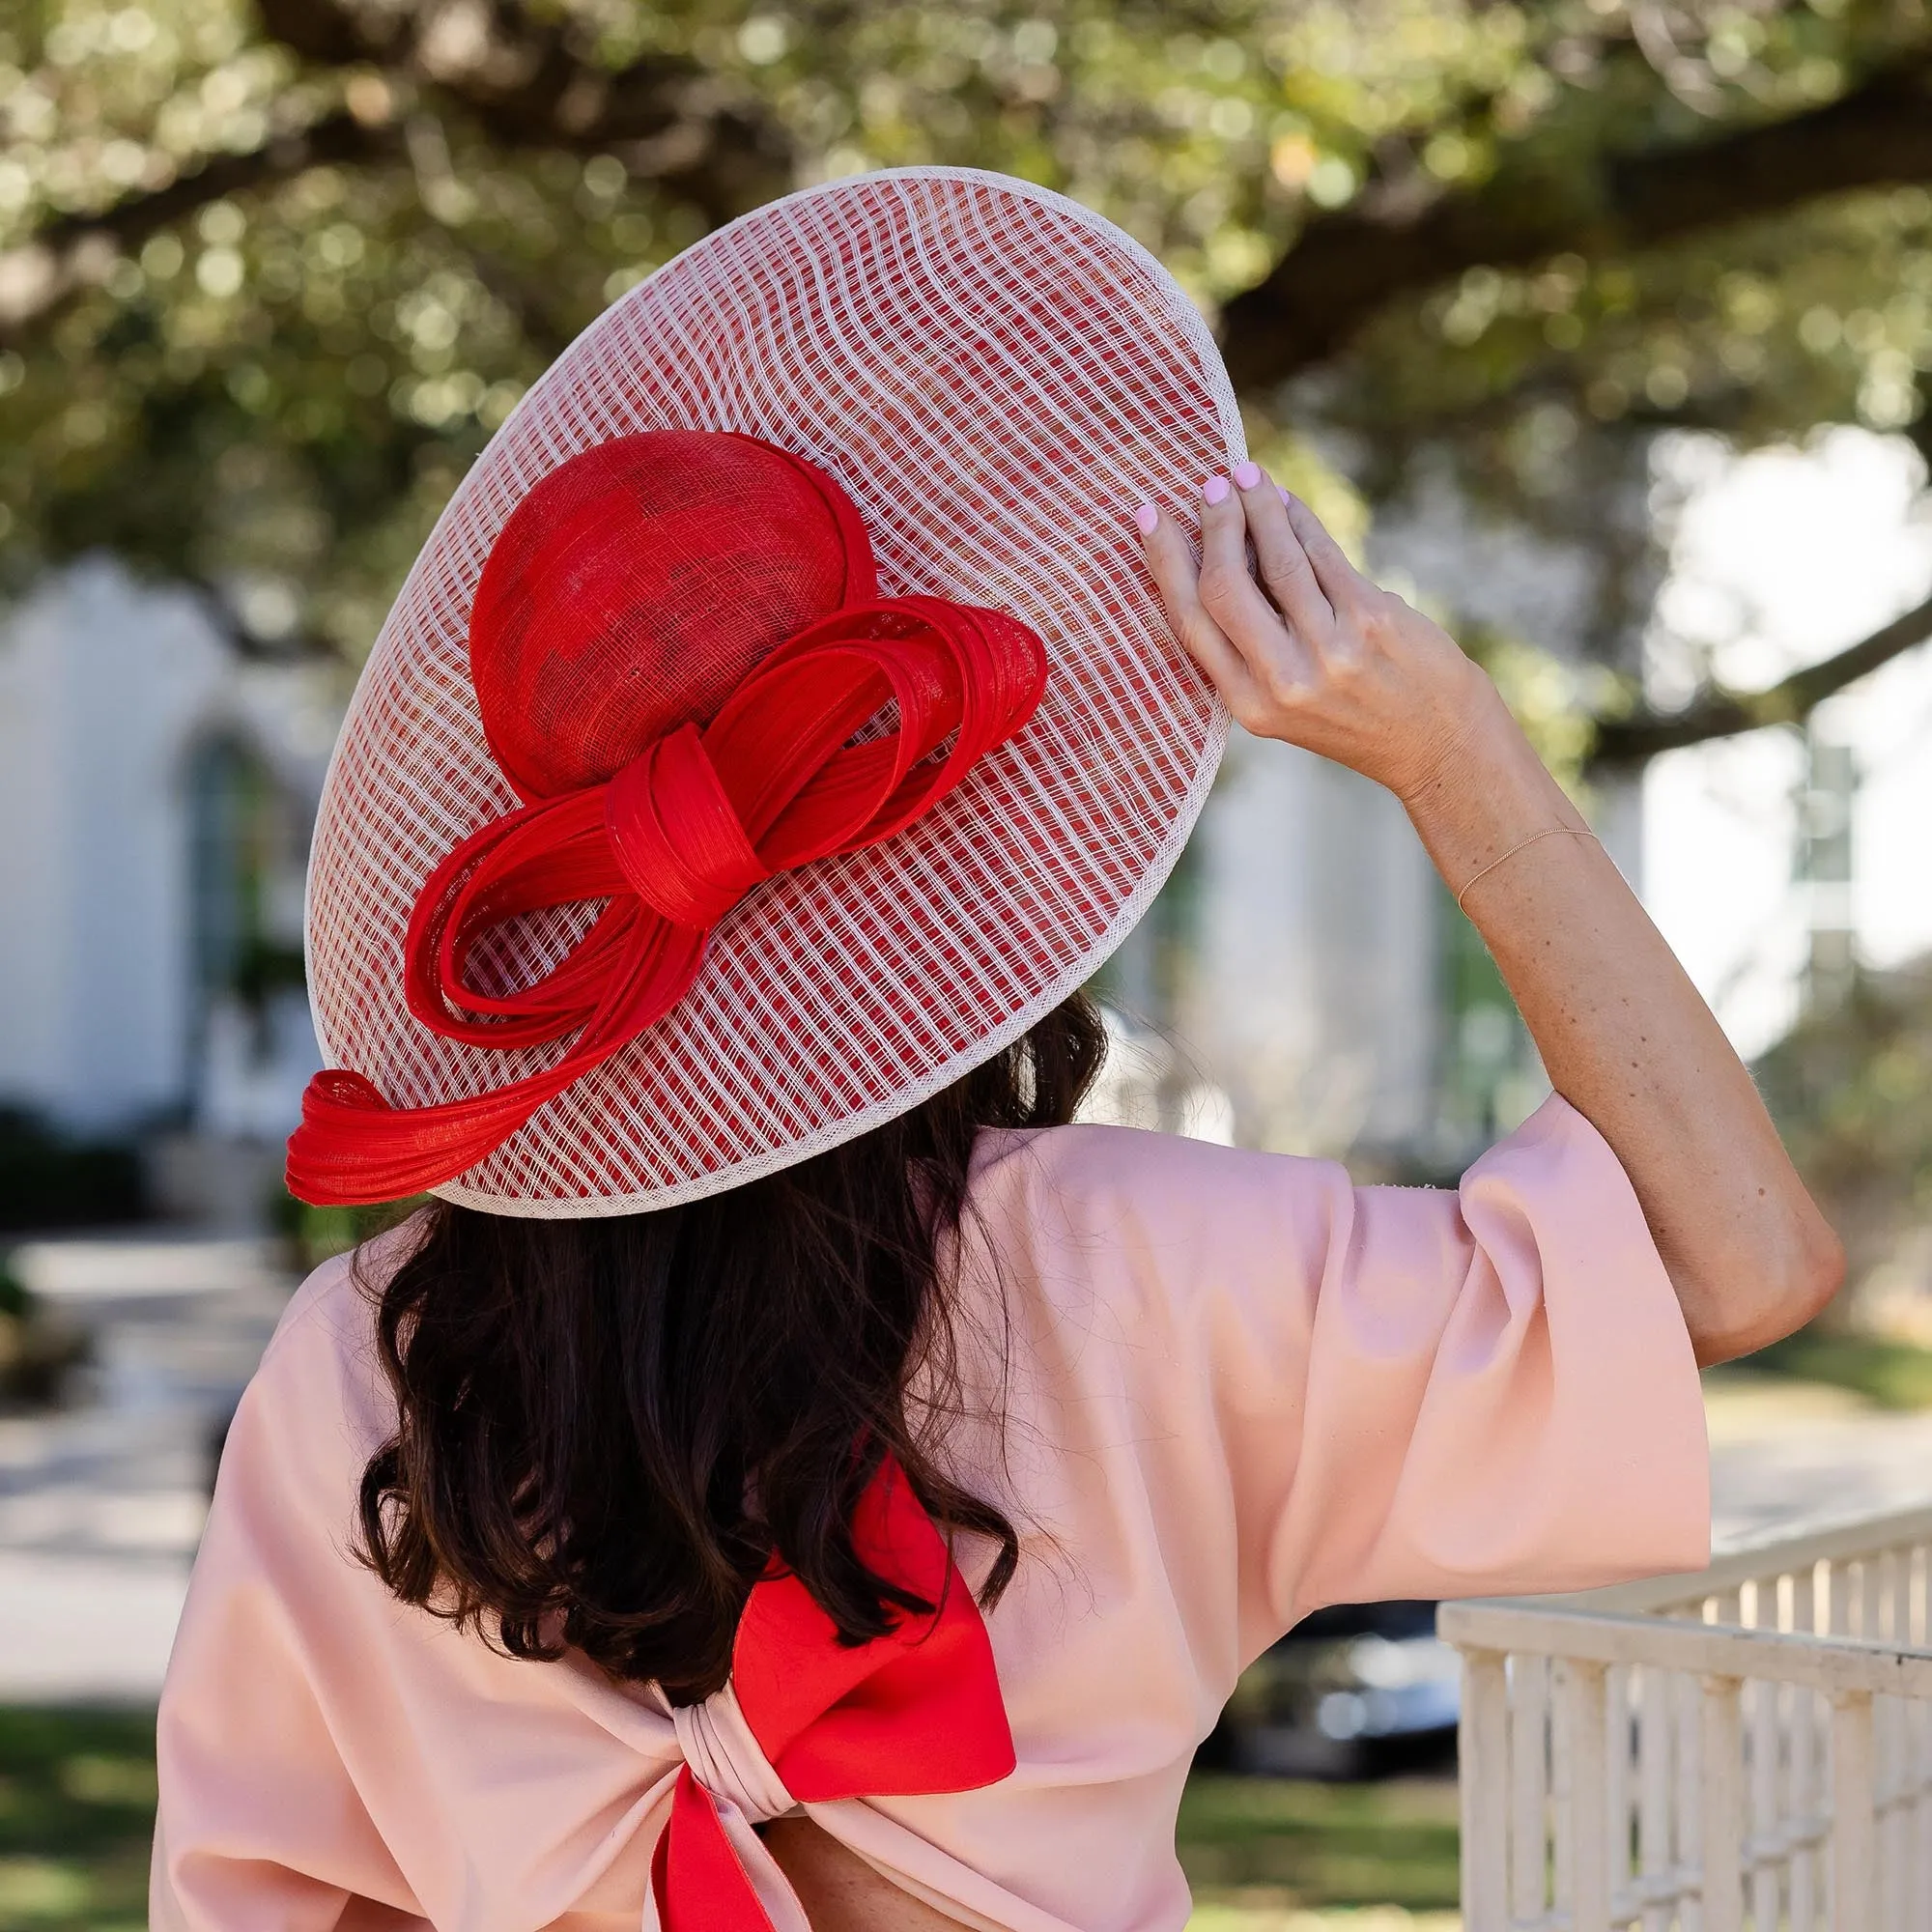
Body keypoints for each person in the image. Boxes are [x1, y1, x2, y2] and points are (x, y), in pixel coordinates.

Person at [151, 170, 1840, 1932]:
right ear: (972, 866)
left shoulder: (359, 1368)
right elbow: (1737, 1264)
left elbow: (283, 1903)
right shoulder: (1144, 1271)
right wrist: (1454, 755)